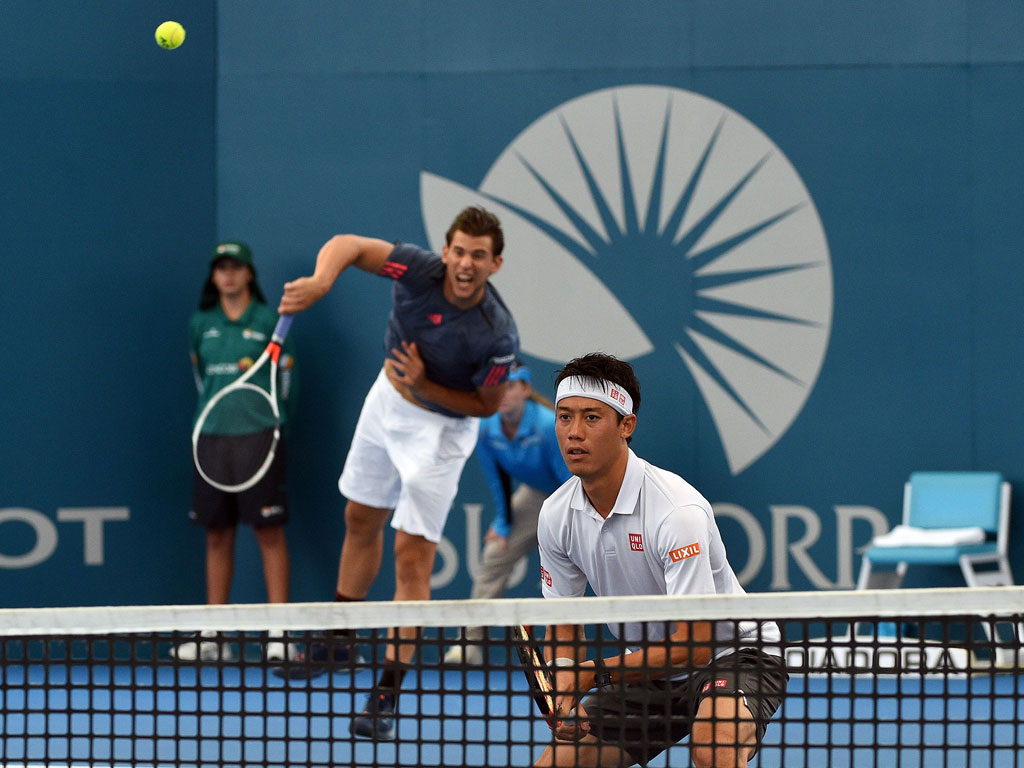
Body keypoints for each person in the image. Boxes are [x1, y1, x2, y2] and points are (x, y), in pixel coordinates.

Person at [276, 207, 519, 740]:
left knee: (412, 556)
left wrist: (425, 386)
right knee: (360, 518)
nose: (465, 263)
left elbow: (485, 405)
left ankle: (385, 695)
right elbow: (349, 243)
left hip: (443, 430)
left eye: (479, 255)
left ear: (494, 264)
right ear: (446, 250)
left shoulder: (496, 335)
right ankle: (340, 641)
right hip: (386, 403)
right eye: (458, 250)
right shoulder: (415, 269)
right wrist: (320, 282)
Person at [534, 353, 788, 768]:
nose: (574, 433)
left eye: (592, 418)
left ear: (626, 426)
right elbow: (564, 618)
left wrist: (591, 675)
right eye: (564, 417)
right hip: (651, 674)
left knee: (714, 750)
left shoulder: (675, 511)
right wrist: (563, 685)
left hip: (735, 654)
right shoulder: (556, 515)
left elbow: (696, 645)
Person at [176, 240, 297, 663]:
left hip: (259, 436)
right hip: (210, 440)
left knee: (268, 533)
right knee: (217, 534)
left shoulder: (267, 320)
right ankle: (213, 636)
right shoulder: (200, 324)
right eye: (221, 268)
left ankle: (280, 634)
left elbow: (284, 383)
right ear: (214, 276)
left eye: (236, 267)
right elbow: (200, 379)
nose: (228, 274)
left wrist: (274, 424)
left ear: (249, 274)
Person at [442, 361, 571, 665]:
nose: (503, 393)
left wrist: (566, 523)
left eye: (510, 385)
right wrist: (503, 522)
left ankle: (563, 655)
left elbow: (571, 481)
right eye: (497, 386)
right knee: (493, 556)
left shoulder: (547, 426)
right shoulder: (486, 428)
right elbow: (497, 479)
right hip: (534, 496)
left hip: (571, 495)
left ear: (525, 389)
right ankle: (470, 644)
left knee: (572, 568)